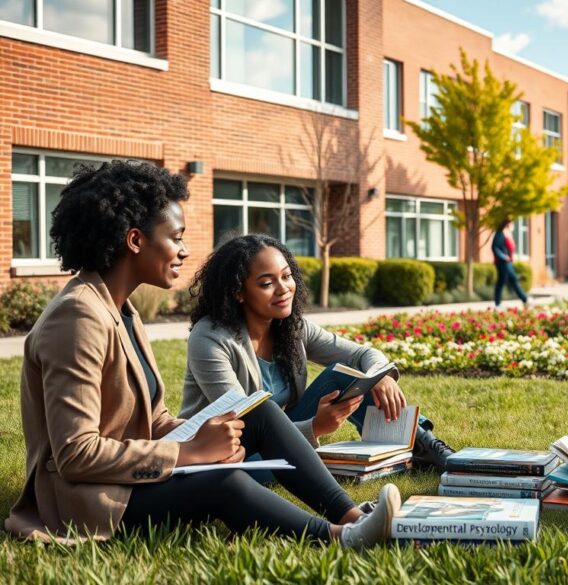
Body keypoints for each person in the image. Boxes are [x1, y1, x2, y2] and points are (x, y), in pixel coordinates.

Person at [3, 161, 399, 547]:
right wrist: (188, 452)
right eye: (175, 237)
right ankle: (341, 537)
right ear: (136, 240)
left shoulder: (121, 309)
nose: (183, 250)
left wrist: (207, 436)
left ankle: (351, 514)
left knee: (257, 411)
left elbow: (151, 418)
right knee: (224, 482)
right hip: (92, 501)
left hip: (131, 476)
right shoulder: (77, 317)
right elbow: (76, 454)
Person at [180, 234, 455, 476]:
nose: (283, 288)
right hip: (230, 453)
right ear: (238, 292)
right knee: (254, 460)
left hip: (277, 435)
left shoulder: (291, 328)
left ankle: (424, 446)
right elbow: (245, 425)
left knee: (343, 375)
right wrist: (315, 427)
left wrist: (380, 377)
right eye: (266, 283)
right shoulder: (210, 337)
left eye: (287, 276)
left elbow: (362, 354)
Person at [491, 218, 529, 307]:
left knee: (510, 280)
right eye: (512, 224)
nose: (513, 226)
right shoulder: (500, 234)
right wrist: (504, 257)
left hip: (508, 262)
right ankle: (524, 299)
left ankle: (524, 299)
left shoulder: (507, 234)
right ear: (507, 224)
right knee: (507, 280)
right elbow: (494, 247)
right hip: (502, 262)